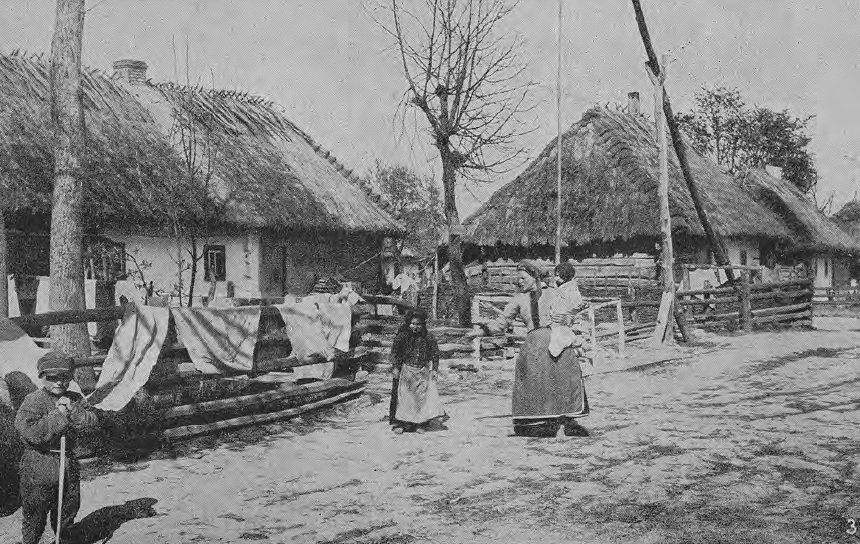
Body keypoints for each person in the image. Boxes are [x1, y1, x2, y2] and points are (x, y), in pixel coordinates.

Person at [473, 259, 590, 437]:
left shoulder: (554, 293)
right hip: (534, 346)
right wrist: (481, 332)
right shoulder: (518, 299)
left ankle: (568, 421)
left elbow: (569, 313)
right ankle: (536, 423)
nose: (518, 281)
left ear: (535, 277)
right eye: (517, 278)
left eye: (523, 278)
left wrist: (569, 316)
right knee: (535, 382)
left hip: (556, 342)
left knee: (564, 378)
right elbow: (501, 324)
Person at [15, 352, 99, 544]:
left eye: (65, 377)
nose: (59, 382)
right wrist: (59, 414)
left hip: (68, 463)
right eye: (53, 377)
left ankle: (64, 539)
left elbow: (92, 424)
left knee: (67, 510)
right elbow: (31, 432)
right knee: (35, 515)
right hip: (39, 464)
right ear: (42, 377)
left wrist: (74, 410)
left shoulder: (75, 398)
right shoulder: (33, 400)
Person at [389, 310, 444, 433]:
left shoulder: (428, 337)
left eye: (418, 324)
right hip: (406, 370)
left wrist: (434, 369)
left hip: (422, 371)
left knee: (420, 398)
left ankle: (419, 424)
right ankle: (401, 423)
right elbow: (394, 352)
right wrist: (395, 367)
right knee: (405, 398)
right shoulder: (402, 336)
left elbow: (435, 354)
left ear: (423, 324)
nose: (415, 327)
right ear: (408, 323)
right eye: (412, 324)